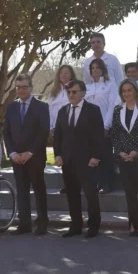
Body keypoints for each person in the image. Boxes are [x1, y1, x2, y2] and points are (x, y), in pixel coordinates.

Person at [53, 80, 104, 238]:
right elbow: (58, 135)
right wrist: (57, 154)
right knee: (72, 195)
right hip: (67, 160)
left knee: (90, 195)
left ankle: (94, 226)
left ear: (83, 92)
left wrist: (96, 156)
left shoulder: (93, 110)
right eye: (68, 92)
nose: (71, 95)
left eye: (74, 92)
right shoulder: (63, 111)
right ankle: (75, 226)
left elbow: (99, 135)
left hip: (87, 160)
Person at [3, 74, 50, 235]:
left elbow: (43, 132)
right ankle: (24, 224)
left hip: (35, 157)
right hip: (17, 158)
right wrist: (12, 153)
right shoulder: (11, 107)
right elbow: (6, 132)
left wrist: (30, 152)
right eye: (18, 87)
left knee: (39, 189)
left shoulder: (42, 107)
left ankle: (42, 223)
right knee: (21, 190)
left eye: (24, 87)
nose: (21, 90)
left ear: (31, 88)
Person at [110, 79, 138, 236]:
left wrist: (137, 151)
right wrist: (120, 152)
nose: (127, 93)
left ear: (135, 91)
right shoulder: (117, 110)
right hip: (124, 158)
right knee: (129, 193)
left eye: (129, 90)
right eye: (124, 91)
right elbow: (115, 134)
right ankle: (132, 222)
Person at [85, 58, 120, 194]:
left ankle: (107, 184)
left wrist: (106, 125)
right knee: (92, 155)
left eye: (98, 68)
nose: (95, 70)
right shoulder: (87, 87)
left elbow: (112, 105)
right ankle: (95, 183)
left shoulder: (110, 85)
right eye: (93, 68)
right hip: (89, 128)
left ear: (103, 70)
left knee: (105, 155)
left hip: (104, 125)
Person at [48, 64, 76, 195]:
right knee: (62, 158)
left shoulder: (74, 90)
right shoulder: (54, 92)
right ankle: (67, 184)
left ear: (71, 75)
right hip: (56, 129)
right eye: (61, 73)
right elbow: (49, 110)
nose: (64, 75)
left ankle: (77, 183)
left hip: (71, 128)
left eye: (66, 72)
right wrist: (51, 127)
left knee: (73, 157)